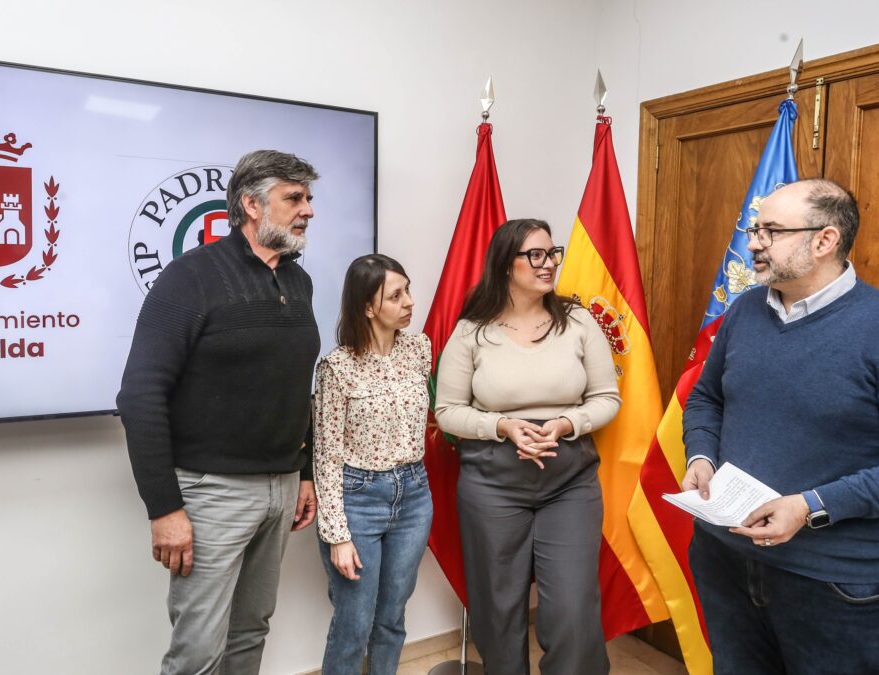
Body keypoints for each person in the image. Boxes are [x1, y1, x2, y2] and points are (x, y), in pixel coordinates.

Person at [682, 178, 879, 675]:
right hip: (725, 562)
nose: (754, 243)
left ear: (824, 240)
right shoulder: (745, 311)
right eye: (755, 230)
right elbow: (707, 398)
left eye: (771, 231)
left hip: (836, 584)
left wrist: (811, 506)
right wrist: (701, 455)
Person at [117, 149, 321, 675]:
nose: (308, 209)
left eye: (308, 198)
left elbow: (295, 386)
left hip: (281, 487)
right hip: (212, 493)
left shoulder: (297, 281)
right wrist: (164, 508)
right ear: (251, 205)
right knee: (198, 652)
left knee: (251, 632)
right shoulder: (191, 276)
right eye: (294, 198)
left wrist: (303, 473)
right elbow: (140, 394)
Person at [434, 218, 619, 675]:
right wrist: (502, 426)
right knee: (497, 607)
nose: (548, 263)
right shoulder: (472, 331)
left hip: (569, 483)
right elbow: (448, 411)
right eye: (535, 255)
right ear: (505, 264)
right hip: (492, 485)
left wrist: (565, 423)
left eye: (552, 253)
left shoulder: (578, 321)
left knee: (573, 607)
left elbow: (607, 398)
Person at [313, 254, 433, 674]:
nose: (409, 302)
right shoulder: (337, 367)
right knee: (354, 622)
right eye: (396, 296)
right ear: (367, 307)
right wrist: (337, 535)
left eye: (408, 291)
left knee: (392, 617)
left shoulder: (419, 350)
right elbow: (326, 455)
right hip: (358, 499)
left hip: (413, 495)